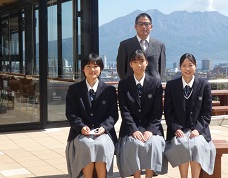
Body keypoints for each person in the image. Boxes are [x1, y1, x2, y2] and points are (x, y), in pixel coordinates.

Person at [65, 53, 118, 178]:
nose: (92, 70)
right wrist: (81, 127)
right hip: (80, 132)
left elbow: (113, 115)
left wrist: (104, 127)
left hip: (103, 132)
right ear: (83, 69)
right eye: (88, 66)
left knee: (102, 145)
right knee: (85, 145)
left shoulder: (109, 90)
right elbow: (71, 113)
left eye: (96, 66)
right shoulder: (74, 89)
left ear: (101, 69)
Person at [116, 49, 167, 178]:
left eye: (141, 61)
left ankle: (149, 176)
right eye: (135, 62)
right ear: (130, 64)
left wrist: (150, 130)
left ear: (147, 63)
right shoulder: (123, 85)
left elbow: (157, 111)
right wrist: (133, 130)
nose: (139, 65)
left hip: (151, 127)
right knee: (134, 143)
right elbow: (125, 111)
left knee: (152, 143)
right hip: (130, 127)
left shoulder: (155, 83)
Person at [164, 53, 216, 178]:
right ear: (180, 67)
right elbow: (168, 112)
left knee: (197, 145)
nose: (187, 69)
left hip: (198, 130)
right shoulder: (172, 86)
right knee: (182, 144)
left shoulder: (204, 86)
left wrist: (197, 130)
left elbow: (206, 112)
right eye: (184, 65)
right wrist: (176, 128)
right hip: (179, 130)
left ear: (195, 66)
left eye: (190, 65)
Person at [116, 12, 166, 81]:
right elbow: (121, 69)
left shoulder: (159, 45)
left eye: (146, 24)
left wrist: (157, 82)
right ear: (135, 27)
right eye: (140, 24)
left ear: (151, 27)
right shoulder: (125, 45)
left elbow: (162, 68)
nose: (143, 27)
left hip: (153, 87)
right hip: (131, 86)